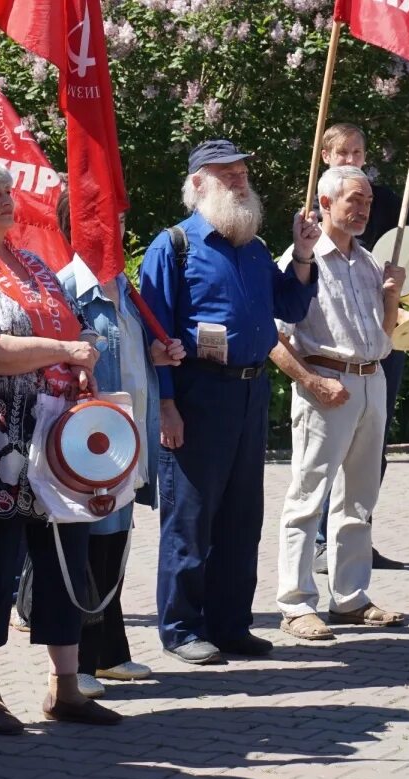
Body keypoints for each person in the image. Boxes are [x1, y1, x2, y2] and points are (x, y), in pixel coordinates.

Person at [0, 157, 120, 734]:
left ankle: (67, 686)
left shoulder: (34, 263)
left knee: (66, 560)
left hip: (58, 441)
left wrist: (82, 348)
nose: (9, 201)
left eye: (8, 191)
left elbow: (66, 328)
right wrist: (64, 352)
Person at [138, 139, 316, 666]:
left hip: (250, 390)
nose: (240, 180)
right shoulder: (173, 246)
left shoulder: (256, 248)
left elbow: (292, 304)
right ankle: (180, 628)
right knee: (190, 516)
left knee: (242, 515)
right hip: (198, 392)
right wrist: (166, 406)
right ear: (198, 184)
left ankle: (230, 624)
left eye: (242, 172)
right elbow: (156, 333)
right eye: (226, 174)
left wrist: (303, 254)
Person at [292, 122, 409, 573]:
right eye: (343, 152)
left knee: (372, 448)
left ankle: (357, 538)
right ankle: (320, 546)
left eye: (359, 152)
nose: (352, 160)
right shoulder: (313, 215)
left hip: (381, 342)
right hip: (331, 356)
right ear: (325, 157)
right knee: (325, 457)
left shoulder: (384, 199)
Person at [54, 194, 184, 697]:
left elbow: (131, 355)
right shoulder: (68, 289)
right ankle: (77, 660)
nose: (119, 232)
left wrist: (157, 352)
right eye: (107, 223)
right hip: (87, 444)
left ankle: (110, 652)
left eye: (122, 222)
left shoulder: (126, 289)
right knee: (84, 548)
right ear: (78, 228)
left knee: (114, 543)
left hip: (125, 441)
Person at [275, 166, 407, 641]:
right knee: (308, 497)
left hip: (372, 380)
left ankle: (350, 597)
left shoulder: (369, 262)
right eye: (354, 200)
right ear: (325, 204)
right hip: (325, 382)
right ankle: (294, 603)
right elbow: (275, 337)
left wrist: (391, 296)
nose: (364, 209)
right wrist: (312, 382)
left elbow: (386, 335)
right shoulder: (300, 258)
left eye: (368, 201)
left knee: (359, 498)